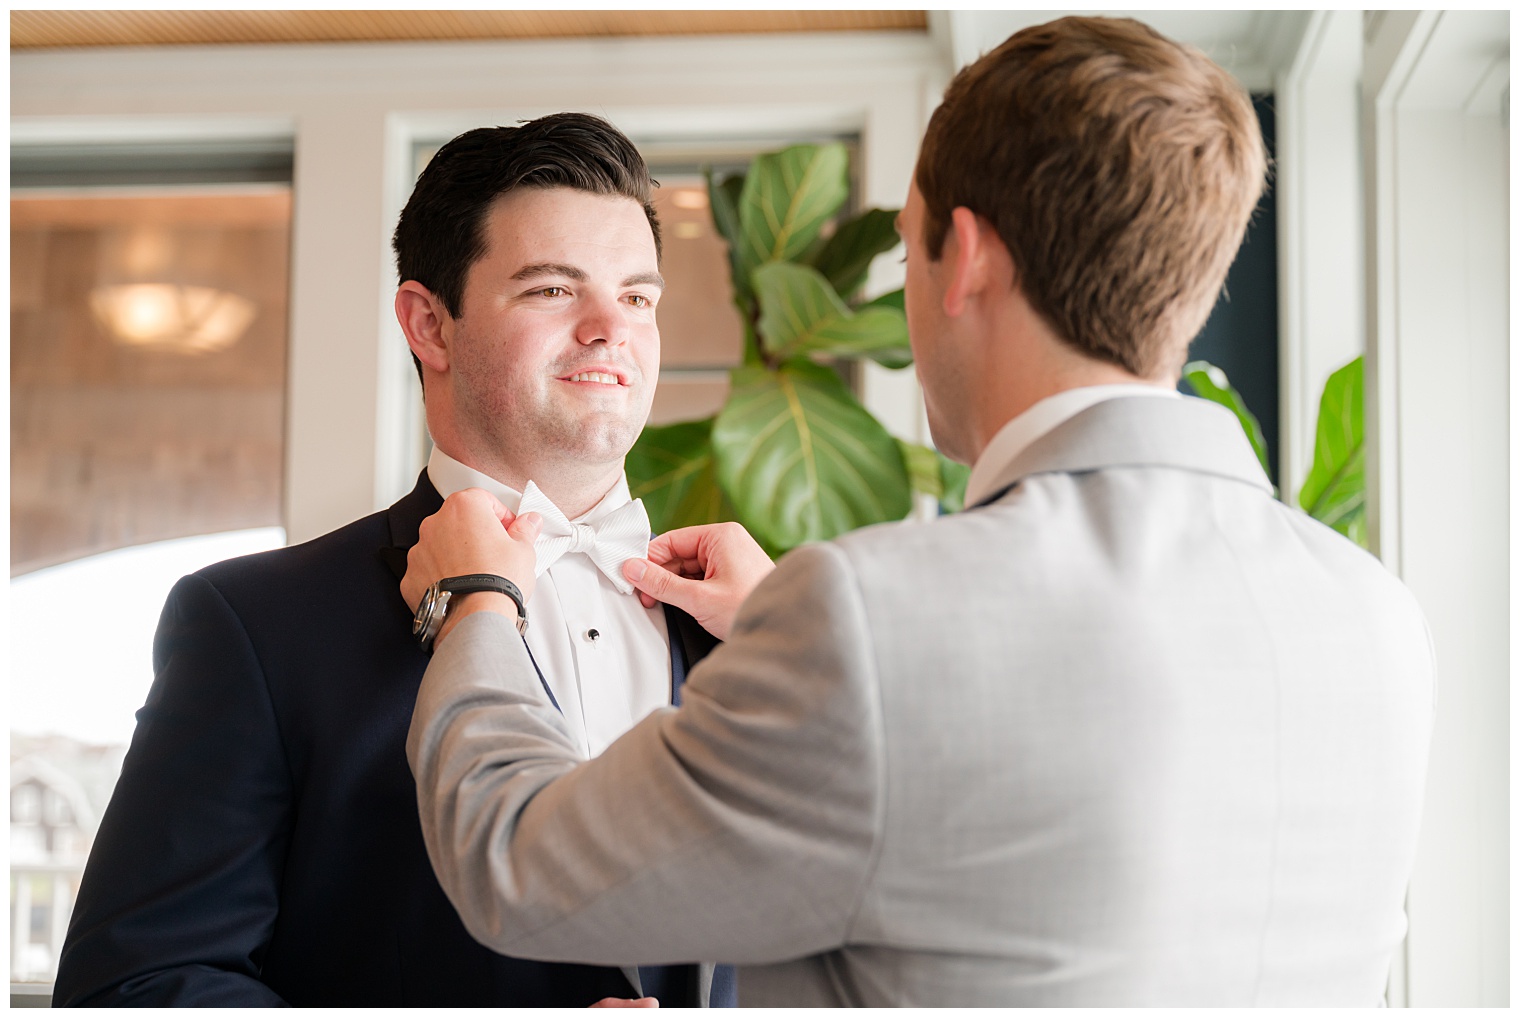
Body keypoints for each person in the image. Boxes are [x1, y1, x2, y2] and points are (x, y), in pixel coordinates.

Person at [400, 17, 1436, 1007]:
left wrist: (478, 598)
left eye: (907, 249)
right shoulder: (1376, 614)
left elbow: (517, 862)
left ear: (968, 258)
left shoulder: (864, 615)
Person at [54, 113, 735, 1007]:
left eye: (638, 297)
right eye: (553, 291)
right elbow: (136, 988)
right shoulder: (259, 627)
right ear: (430, 324)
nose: (613, 328)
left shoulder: (753, 623)